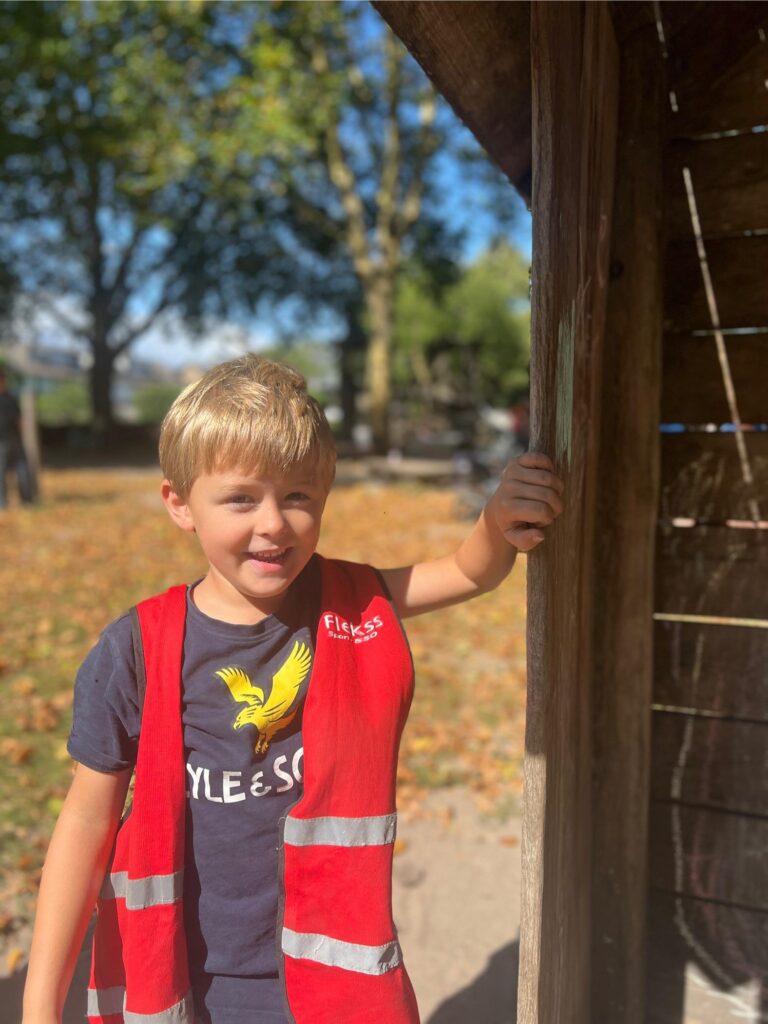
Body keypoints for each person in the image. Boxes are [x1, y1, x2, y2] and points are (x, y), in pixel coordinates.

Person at [22, 355, 564, 1024]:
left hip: (326, 980)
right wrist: (40, 1004)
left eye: (298, 496)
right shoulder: (135, 649)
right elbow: (86, 820)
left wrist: (497, 520)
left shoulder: (351, 605)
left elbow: (464, 572)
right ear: (179, 504)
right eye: (242, 498)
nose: (274, 522)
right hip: (189, 980)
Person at [0, 368, 35, 508]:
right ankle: (6, 502)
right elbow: (20, 421)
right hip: (7, 440)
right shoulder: (11, 398)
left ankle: (22, 501)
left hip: (10, 440)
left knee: (20, 471)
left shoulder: (10, 398)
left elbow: (19, 421)